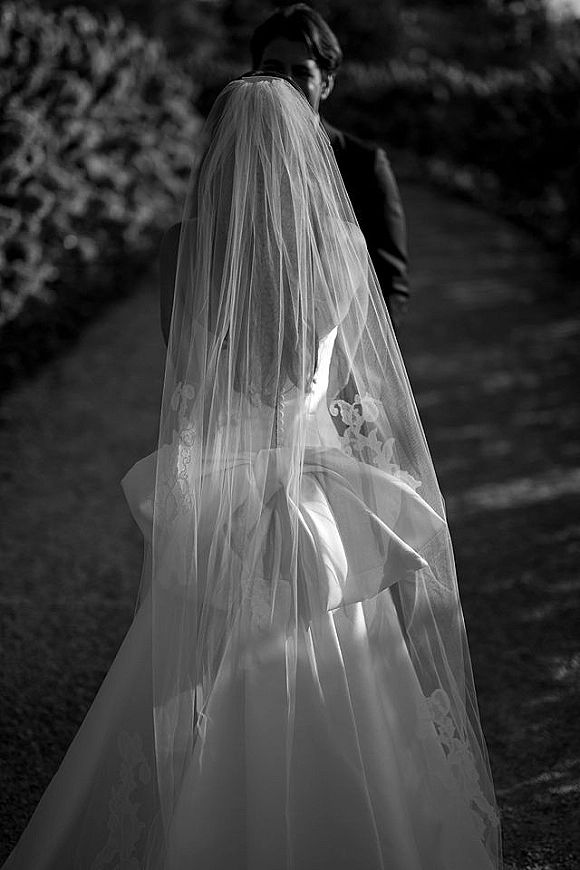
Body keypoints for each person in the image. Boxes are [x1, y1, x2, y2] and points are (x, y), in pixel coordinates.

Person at [2, 75, 501, 870]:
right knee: (348, 669)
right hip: (321, 497)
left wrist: (200, 488)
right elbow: (346, 396)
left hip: (229, 492)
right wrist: (370, 472)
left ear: (219, 155)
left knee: (192, 669)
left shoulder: (185, 247)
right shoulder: (339, 247)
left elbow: (186, 390)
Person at [250, 3, 409, 329]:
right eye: (273, 67)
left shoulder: (364, 163)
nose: (285, 81)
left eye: (302, 71)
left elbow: (389, 282)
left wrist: (347, 365)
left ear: (326, 83)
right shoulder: (238, 157)